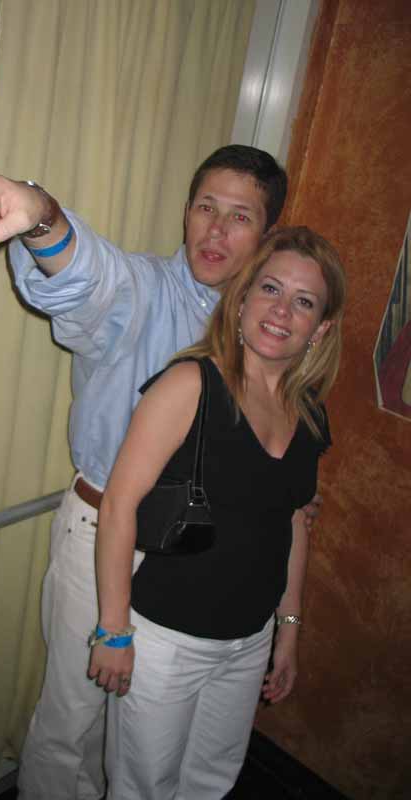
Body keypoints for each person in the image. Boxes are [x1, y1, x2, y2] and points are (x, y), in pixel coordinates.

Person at [0, 147, 310, 800]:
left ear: (266, 234)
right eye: (205, 207)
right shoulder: (142, 290)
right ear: (186, 212)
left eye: (240, 216)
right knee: (74, 717)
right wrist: (41, 216)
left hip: (197, 556)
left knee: (143, 730)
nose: (215, 230)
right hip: (106, 528)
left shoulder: (266, 328)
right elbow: (88, 276)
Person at [88, 226, 346, 799]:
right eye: (270, 288)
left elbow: (294, 523)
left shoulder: (308, 412)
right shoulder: (190, 384)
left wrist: (288, 631)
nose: (282, 311)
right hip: (168, 641)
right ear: (243, 296)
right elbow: (119, 507)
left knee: (210, 782)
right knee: (142, 789)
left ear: (321, 328)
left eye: (304, 301)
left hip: (248, 642)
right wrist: (114, 630)